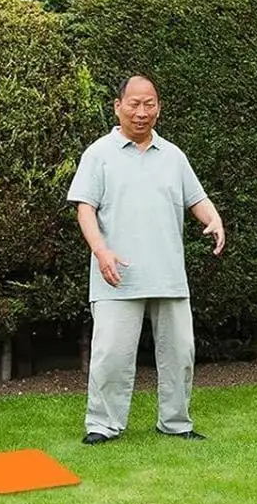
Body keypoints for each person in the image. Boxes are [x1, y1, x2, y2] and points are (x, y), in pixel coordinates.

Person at [67, 76, 226, 444]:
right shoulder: (99, 154)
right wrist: (101, 251)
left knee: (181, 353)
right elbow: (84, 210)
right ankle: (102, 425)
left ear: (159, 107)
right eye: (134, 104)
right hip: (116, 276)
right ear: (118, 106)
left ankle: (176, 422)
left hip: (169, 275)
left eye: (149, 104)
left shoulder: (173, 155)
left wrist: (214, 217)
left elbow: (196, 199)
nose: (142, 112)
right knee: (110, 356)